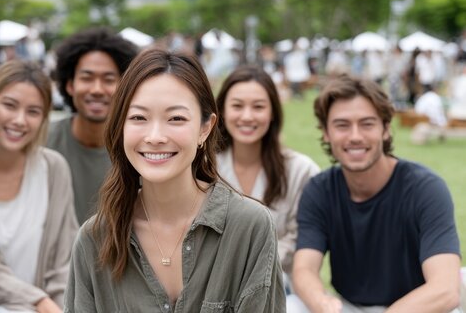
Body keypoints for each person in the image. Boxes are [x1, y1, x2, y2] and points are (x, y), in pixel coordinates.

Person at [64, 49, 285, 312]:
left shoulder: (250, 227)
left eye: (176, 118)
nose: (155, 136)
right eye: (138, 118)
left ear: (205, 128)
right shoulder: (94, 238)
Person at [288, 74, 461, 312]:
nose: (355, 136)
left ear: (386, 129)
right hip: (350, 307)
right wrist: (324, 304)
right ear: (326, 133)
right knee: (291, 306)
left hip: (417, 307)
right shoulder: (319, 190)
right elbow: (304, 270)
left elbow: (445, 288)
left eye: (367, 123)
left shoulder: (426, 188)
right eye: (342, 125)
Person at [0, 61, 79, 313]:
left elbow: (64, 262)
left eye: (33, 111)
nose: (19, 120)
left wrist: (60, 308)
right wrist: (40, 303)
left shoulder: (54, 168)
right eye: (9, 105)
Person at [215, 65, 319, 288]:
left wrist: (251, 266)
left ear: (272, 112)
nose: (247, 116)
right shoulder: (203, 169)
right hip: (212, 287)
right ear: (222, 110)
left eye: (258, 106)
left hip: (278, 288)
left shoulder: (301, 170)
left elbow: (301, 236)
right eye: (237, 106)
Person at [47, 27, 138, 223]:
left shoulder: (140, 148)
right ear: (69, 85)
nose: (97, 89)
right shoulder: (42, 141)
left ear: (124, 87)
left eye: (108, 79)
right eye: (87, 78)